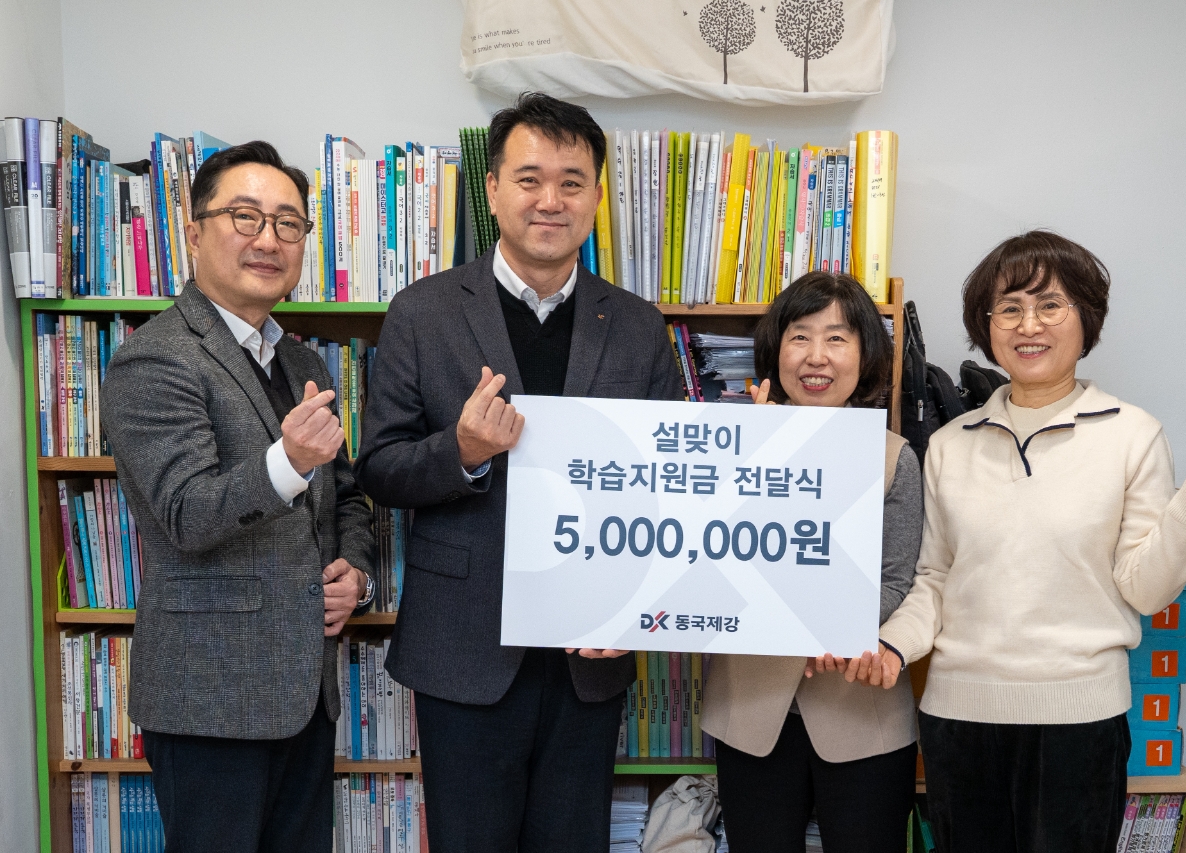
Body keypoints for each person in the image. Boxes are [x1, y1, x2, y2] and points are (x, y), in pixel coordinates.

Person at [353, 92, 684, 853]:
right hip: (464, 646)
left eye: (572, 182)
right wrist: (462, 451)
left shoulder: (637, 325)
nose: (550, 200)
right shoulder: (422, 312)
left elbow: (667, 483)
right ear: (493, 189)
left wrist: (631, 613)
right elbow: (378, 468)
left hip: (588, 654)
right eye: (530, 179)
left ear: (596, 197)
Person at [856, 230, 1186, 852]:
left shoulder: (1133, 435)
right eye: (1009, 308)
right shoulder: (950, 445)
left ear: (1086, 318)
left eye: (1050, 305)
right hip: (958, 721)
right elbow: (934, 580)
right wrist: (891, 644)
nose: (1029, 325)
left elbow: (1145, 590)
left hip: (1081, 722)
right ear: (986, 325)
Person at [100, 141, 376, 853]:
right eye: (245, 216)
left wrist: (355, 571)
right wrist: (288, 461)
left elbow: (345, 494)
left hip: (303, 694)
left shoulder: (302, 359)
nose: (268, 239)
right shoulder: (155, 356)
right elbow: (185, 513)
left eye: (288, 223)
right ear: (194, 232)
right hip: (210, 699)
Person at [700, 271, 923, 853]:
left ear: (865, 355)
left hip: (863, 714)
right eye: (799, 336)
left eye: (837, 338)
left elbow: (898, 580)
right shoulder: (725, 448)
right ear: (776, 350)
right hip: (749, 711)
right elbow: (704, 565)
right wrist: (752, 460)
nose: (816, 356)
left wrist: (831, 626)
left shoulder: (894, 457)